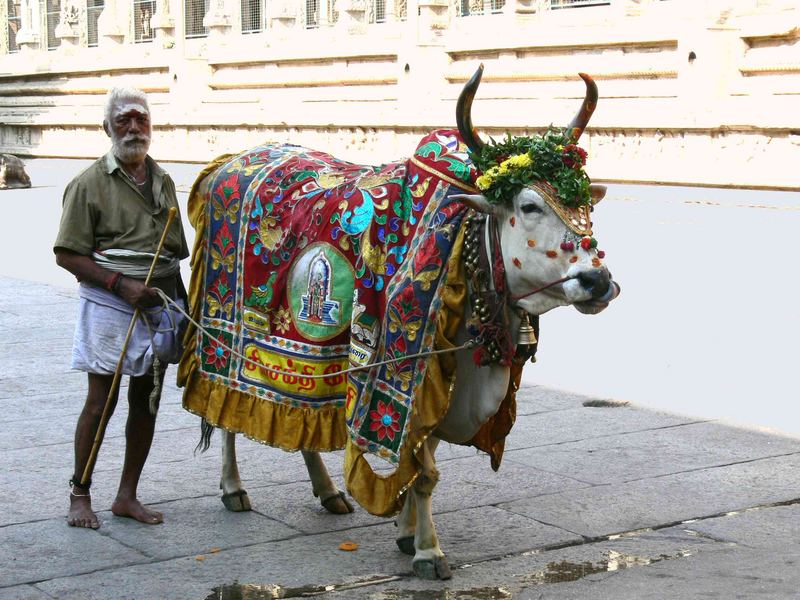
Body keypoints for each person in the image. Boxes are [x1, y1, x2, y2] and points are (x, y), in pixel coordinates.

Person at [54, 87, 189, 529]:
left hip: (157, 303)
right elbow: (67, 255)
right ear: (107, 128)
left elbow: (172, 255)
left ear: (151, 126)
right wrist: (121, 284)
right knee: (101, 401)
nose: (134, 128)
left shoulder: (163, 180)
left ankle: (126, 495)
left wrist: (181, 309)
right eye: (124, 120)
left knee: (145, 400)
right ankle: (80, 493)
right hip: (111, 301)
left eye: (141, 120)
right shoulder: (88, 184)